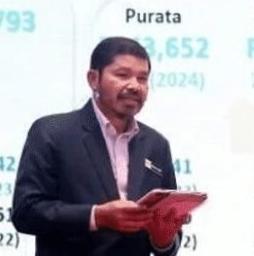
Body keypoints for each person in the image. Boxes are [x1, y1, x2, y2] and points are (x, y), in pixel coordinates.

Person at [12, 37, 189, 256]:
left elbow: (167, 243)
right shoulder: (52, 132)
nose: (135, 86)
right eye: (122, 75)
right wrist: (97, 216)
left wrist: (164, 239)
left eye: (142, 79)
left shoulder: (156, 144)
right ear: (94, 79)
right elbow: (26, 212)